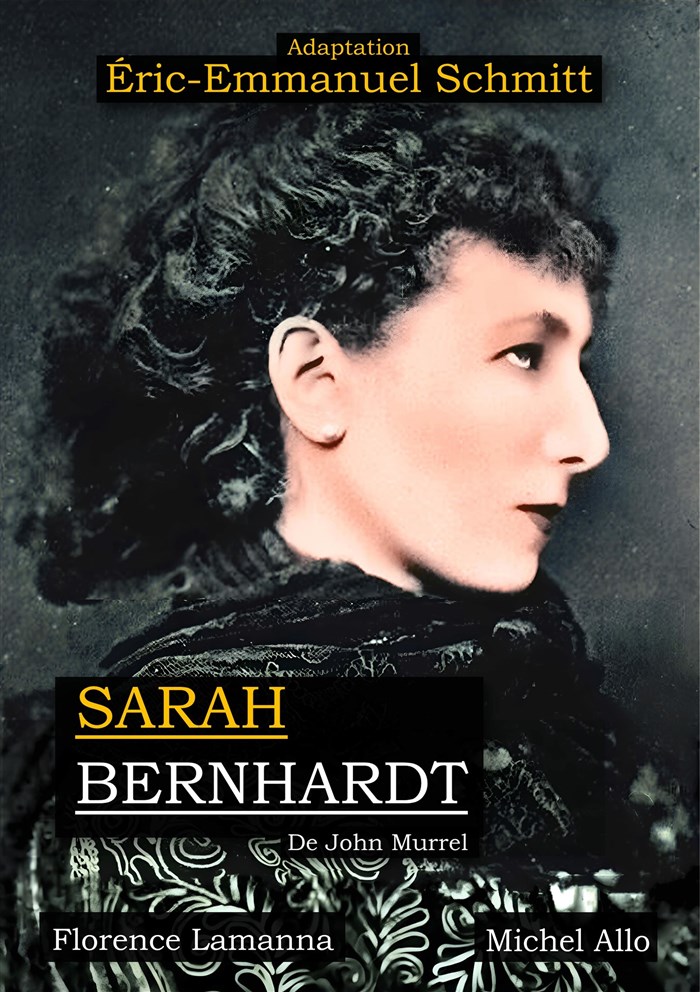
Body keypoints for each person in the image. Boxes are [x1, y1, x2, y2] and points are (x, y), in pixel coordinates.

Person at [9, 105, 695, 991]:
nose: (589, 440)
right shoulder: (176, 771)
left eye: (579, 363)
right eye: (525, 355)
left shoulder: (559, 714)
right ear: (316, 382)